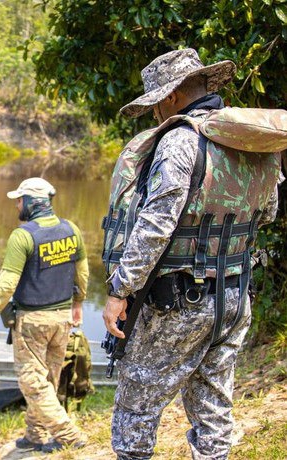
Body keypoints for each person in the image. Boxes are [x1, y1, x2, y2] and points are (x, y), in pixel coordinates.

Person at [103, 48, 283, 459]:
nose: (154, 114)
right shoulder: (255, 142)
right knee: (213, 406)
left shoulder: (181, 142)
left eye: (155, 104)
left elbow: (155, 226)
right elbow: (268, 212)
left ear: (170, 97)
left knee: (136, 409)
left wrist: (120, 290)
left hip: (180, 301)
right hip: (235, 297)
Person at [0, 177, 89, 453]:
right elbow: (82, 273)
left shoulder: (23, 236)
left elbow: (7, 283)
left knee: (32, 382)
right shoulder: (71, 229)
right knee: (48, 380)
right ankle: (35, 433)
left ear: (31, 202)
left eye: (19, 199)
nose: (17, 204)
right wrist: (78, 302)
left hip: (32, 321)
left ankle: (67, 434)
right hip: (61, 318)